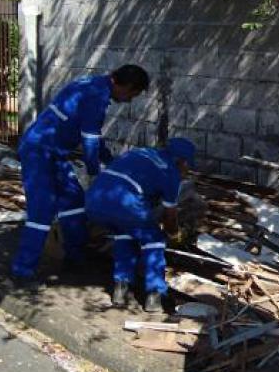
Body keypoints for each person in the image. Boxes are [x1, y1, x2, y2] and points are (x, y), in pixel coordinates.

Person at [10, 64, 150, 284]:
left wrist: (112, 163)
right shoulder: (96, 96)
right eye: (132, 94)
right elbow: (90, 141)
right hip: (38, 152)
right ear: (125, 85)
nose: (130, 100)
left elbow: (92, 135)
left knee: (74, 203)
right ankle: (22, 271)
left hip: (55, 154)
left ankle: (75, 257)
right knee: (42, 211)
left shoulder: (93, 86)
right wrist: (95, 174)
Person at [84, 138, 196, 312]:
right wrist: (175, 235)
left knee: (124, 234)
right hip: (125, 203)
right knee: (154, 240)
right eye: (188, 166)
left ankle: (120, 289)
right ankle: (154, 295)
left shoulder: (140, 152)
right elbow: (170, 216)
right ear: (182, 161)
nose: (187, 171)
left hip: (94, 200)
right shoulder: (170, 172)